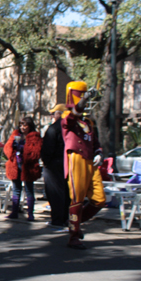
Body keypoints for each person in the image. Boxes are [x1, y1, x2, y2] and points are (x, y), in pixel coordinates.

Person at [61, 81, 106, 250]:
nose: (86, 100)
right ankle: (74, 235)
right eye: (83, 95)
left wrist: (99, 153)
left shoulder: (88, 122)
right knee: (77, 199)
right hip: (76, 159)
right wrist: (83, 100)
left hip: (90, 162)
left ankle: (74, 223)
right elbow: (73, 115)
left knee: (99, 200)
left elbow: (96, 143)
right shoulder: (67, 118)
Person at [4, 117, 42, 221]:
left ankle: (30, 214)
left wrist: (24, 149)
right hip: (15, 164)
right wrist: (13, 148)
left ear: (30, 126)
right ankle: (14, 212)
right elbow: (7, 147)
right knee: (16, 189)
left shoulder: (35, 136)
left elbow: (36, 152)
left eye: (25, 125)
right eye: (21, 125)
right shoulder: (16, 135)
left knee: (29, 189)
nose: (22, 127)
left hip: (28, 167)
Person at [41, 104, 70, 231]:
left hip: (54, 164)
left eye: (53, 113)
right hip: (67, 163)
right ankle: (64, 219)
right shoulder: (70, 128)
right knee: (65, 193)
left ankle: (57, 220)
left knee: (55, 193)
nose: (51, 116)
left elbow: (48, 147)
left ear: (60, 114)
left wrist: (46, 161)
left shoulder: (54, 128)